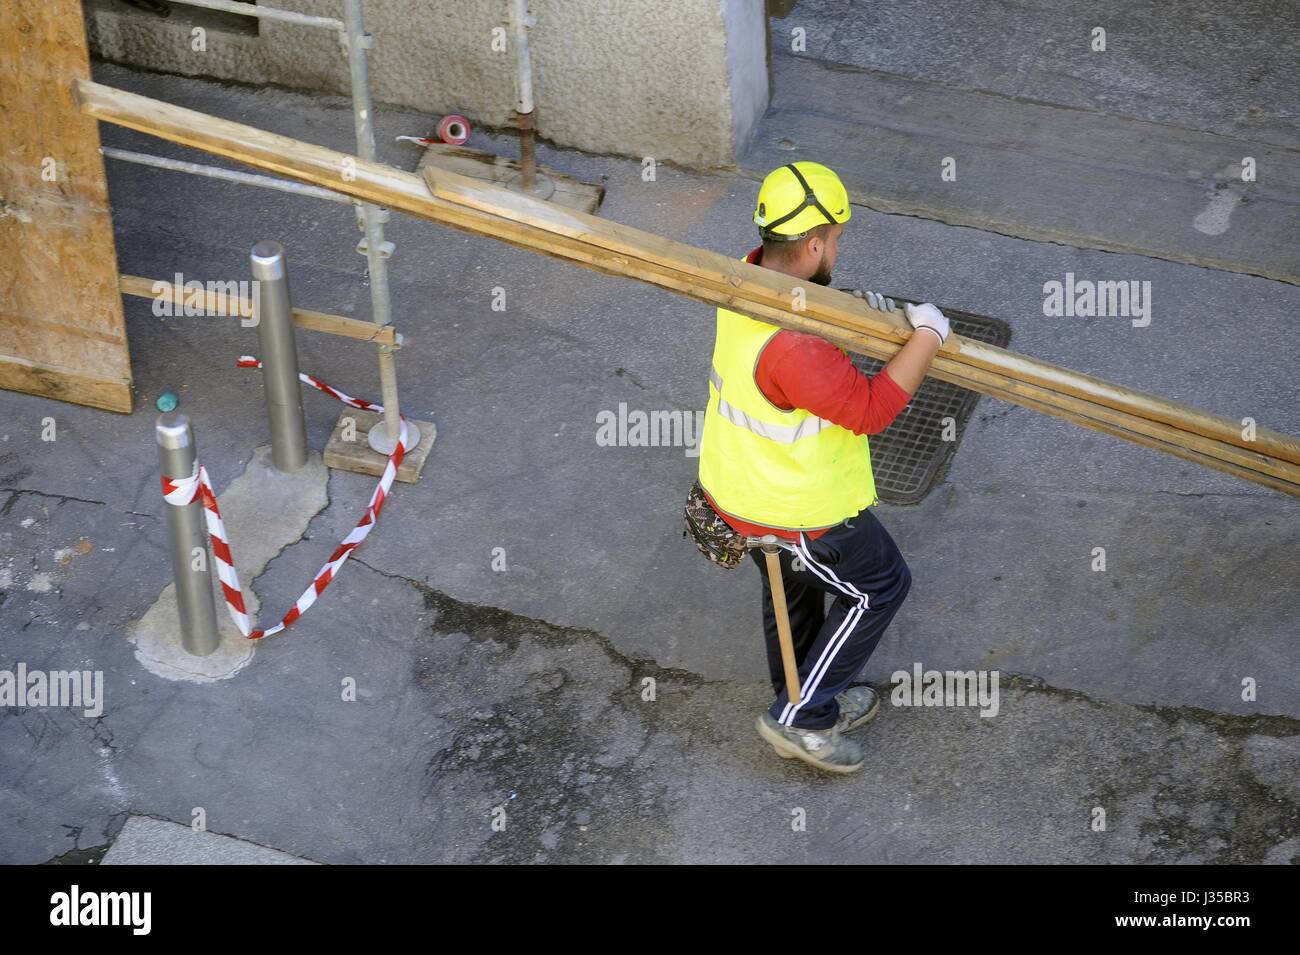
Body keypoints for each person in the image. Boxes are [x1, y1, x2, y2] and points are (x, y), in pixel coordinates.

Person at [696, 161, 951, 774]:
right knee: (880, 586)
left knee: (791, 594)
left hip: (738, 485)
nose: (837, 247)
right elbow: (870, 409)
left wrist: (856, 314)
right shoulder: (795, 347)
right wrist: (928, 338)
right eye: (835, 239)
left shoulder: (747, 271)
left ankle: (809, 691)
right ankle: (801, 717)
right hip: (795, 508)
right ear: (813, 244)